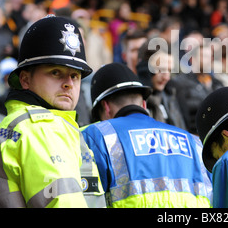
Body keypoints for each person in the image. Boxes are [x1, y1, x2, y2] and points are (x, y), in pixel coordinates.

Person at [0, 15, 105, 208]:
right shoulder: (39, 128)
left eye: (75, 75)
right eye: (55, 72)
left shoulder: (56, 127)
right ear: (25, 79)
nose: (68, 84)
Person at [81, 62, 212, 208]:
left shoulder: (95, 136)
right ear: (144, 104)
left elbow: (87, 199)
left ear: (105, 107)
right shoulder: (194, 143)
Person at [136, 43, 187, 130]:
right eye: (160, 70)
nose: (166, 77)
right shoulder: (136, 102)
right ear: (144, 68)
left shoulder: (171, 96)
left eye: (169, 70)